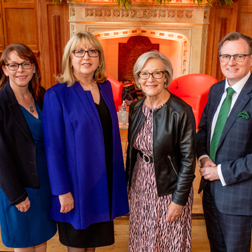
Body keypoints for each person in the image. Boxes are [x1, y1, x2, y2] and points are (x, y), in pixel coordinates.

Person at [42, 31, 129, 252]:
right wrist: (62, 191)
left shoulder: (106, 88)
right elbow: (53, 149)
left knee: (93, 245)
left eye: (92, 51)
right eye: (79, 51)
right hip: (76, 186)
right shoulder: (56, 94)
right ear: (69, 58)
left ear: (99, 57)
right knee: (78, 246)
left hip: (103, 184)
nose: (86, 56)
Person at [126, 51, 196, 252]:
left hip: (168, 187)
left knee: (167, 241)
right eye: (144, 74)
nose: (151, 79)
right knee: (142, 238)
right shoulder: (136, 108)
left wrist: (179, 200)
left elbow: (188, 160)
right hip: (140, 184)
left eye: (157, 73)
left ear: (166, 76)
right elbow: (132, 152)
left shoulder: (181, 110)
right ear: (138, 79)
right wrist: (128, 184)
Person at [197, 32, 252, 252]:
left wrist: (221, 172)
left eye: (239, 56)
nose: (231, 62)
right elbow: (202, 131)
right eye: (225, 56)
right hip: (210, 192)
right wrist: (202, 158)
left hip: (239, 195)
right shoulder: (216, 89)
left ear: (250, 58)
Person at [0, 43, 57, 252]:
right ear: (5, 69)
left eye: (25, 64)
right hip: (17, 184)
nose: (20, 70)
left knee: (41, 241)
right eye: (13, 65)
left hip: (43, 182)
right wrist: (17, 195)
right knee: (24, 244)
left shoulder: (41, 95)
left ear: (34, 68)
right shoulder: (1, 102)